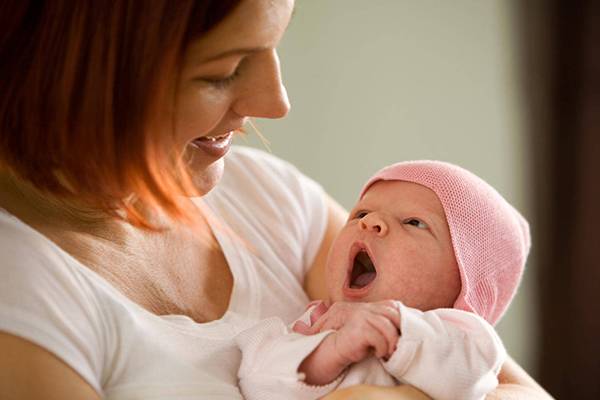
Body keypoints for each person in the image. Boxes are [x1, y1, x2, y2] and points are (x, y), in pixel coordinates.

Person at [0, 1, 550, 399]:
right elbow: (270, 370)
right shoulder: (26, 300)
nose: (276, 102)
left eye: (273, 47)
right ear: (75, 72)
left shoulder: (265, 195)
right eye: (222, 71)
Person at [236, 160, 529, 400]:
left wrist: (395, 328)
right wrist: (328, 353)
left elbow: (469, 380)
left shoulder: (466, 338)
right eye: (361, 212)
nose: (369, 221)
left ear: (465, 282)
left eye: (413, 222)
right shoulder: (315, 325)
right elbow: (257, 384)